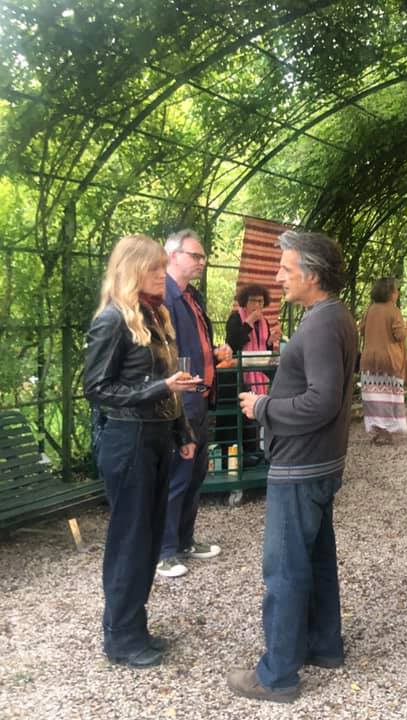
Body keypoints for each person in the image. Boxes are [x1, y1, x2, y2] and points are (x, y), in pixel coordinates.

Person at [229, 230, 358, 704]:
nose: (278, 276)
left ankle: (277, 675)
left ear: (312, 275)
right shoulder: (334, 315)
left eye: (286, 269)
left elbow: (322, 401)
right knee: (316, 558)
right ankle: (323, 645)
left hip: (301, 466)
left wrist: (263, 407)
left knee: (284, 568)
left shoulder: (321, 324)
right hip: (319, 462)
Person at [83, 234, 199, 668]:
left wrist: (182, 431)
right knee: (130, 541)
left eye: (162, 267)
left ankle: (135, 628)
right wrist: (159, 387)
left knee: (148, 538)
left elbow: (169, 386)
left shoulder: (154, 315)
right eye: (153, 268)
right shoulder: (112, 319)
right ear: (132, 270)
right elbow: (97, 389)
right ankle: (120, 637)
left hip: (155, 438)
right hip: (126, 440)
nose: (160, 275)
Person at [157, 229, 230, 578]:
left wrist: (213, 355)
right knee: (177, 474)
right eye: (195, 255)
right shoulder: (164, 296)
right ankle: (164, 551)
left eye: (202, 256)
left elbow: (191, 347)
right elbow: (161, 353)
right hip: (179, 400)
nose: (202, 262)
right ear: (173, 256)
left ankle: (184, 540)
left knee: (196, 473)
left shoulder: (191, 297)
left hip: (199, 397)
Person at [359, 277, 407, 444]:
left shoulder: (370, 309)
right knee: (389, 397)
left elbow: (361, 330)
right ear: (390, 293)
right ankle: (388, 431)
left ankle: (377, 430)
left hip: (369, 359)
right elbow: (399, 335)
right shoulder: (393, 311)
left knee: (373, 397)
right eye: (396, 290)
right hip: (389, 360)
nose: (397, 294)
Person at [225, 283, 282, 393]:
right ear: (245, 302)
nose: (257, 305)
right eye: (253, 301)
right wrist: (248, 322)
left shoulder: (264, 321)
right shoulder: (235, 318)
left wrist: (270, 340)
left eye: (260, 301)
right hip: (239, 373)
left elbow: (265, 350)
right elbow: (232, 344)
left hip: (260, 371)